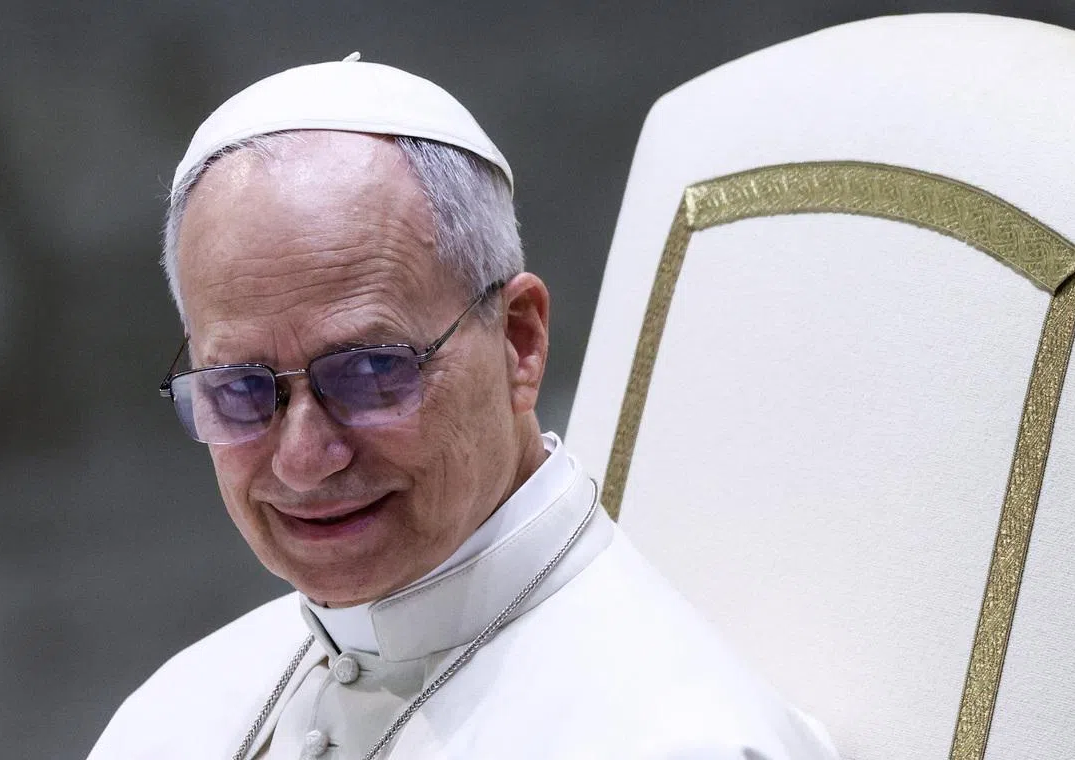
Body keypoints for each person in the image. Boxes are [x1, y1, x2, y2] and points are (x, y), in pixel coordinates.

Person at [87, 55, 838, 760]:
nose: (305, 460)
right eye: (243, 389)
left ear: (519, 341)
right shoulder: (170, 718)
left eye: (371, 371)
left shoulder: (676, 736)